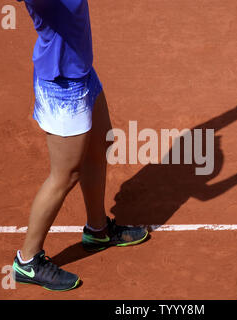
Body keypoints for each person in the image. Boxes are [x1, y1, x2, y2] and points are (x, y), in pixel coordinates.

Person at [13, 0, 148, 291]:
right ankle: (27, 260)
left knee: (101, 143)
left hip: (82, 72)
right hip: (63, 85)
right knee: (65, 175)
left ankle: (97, 230)